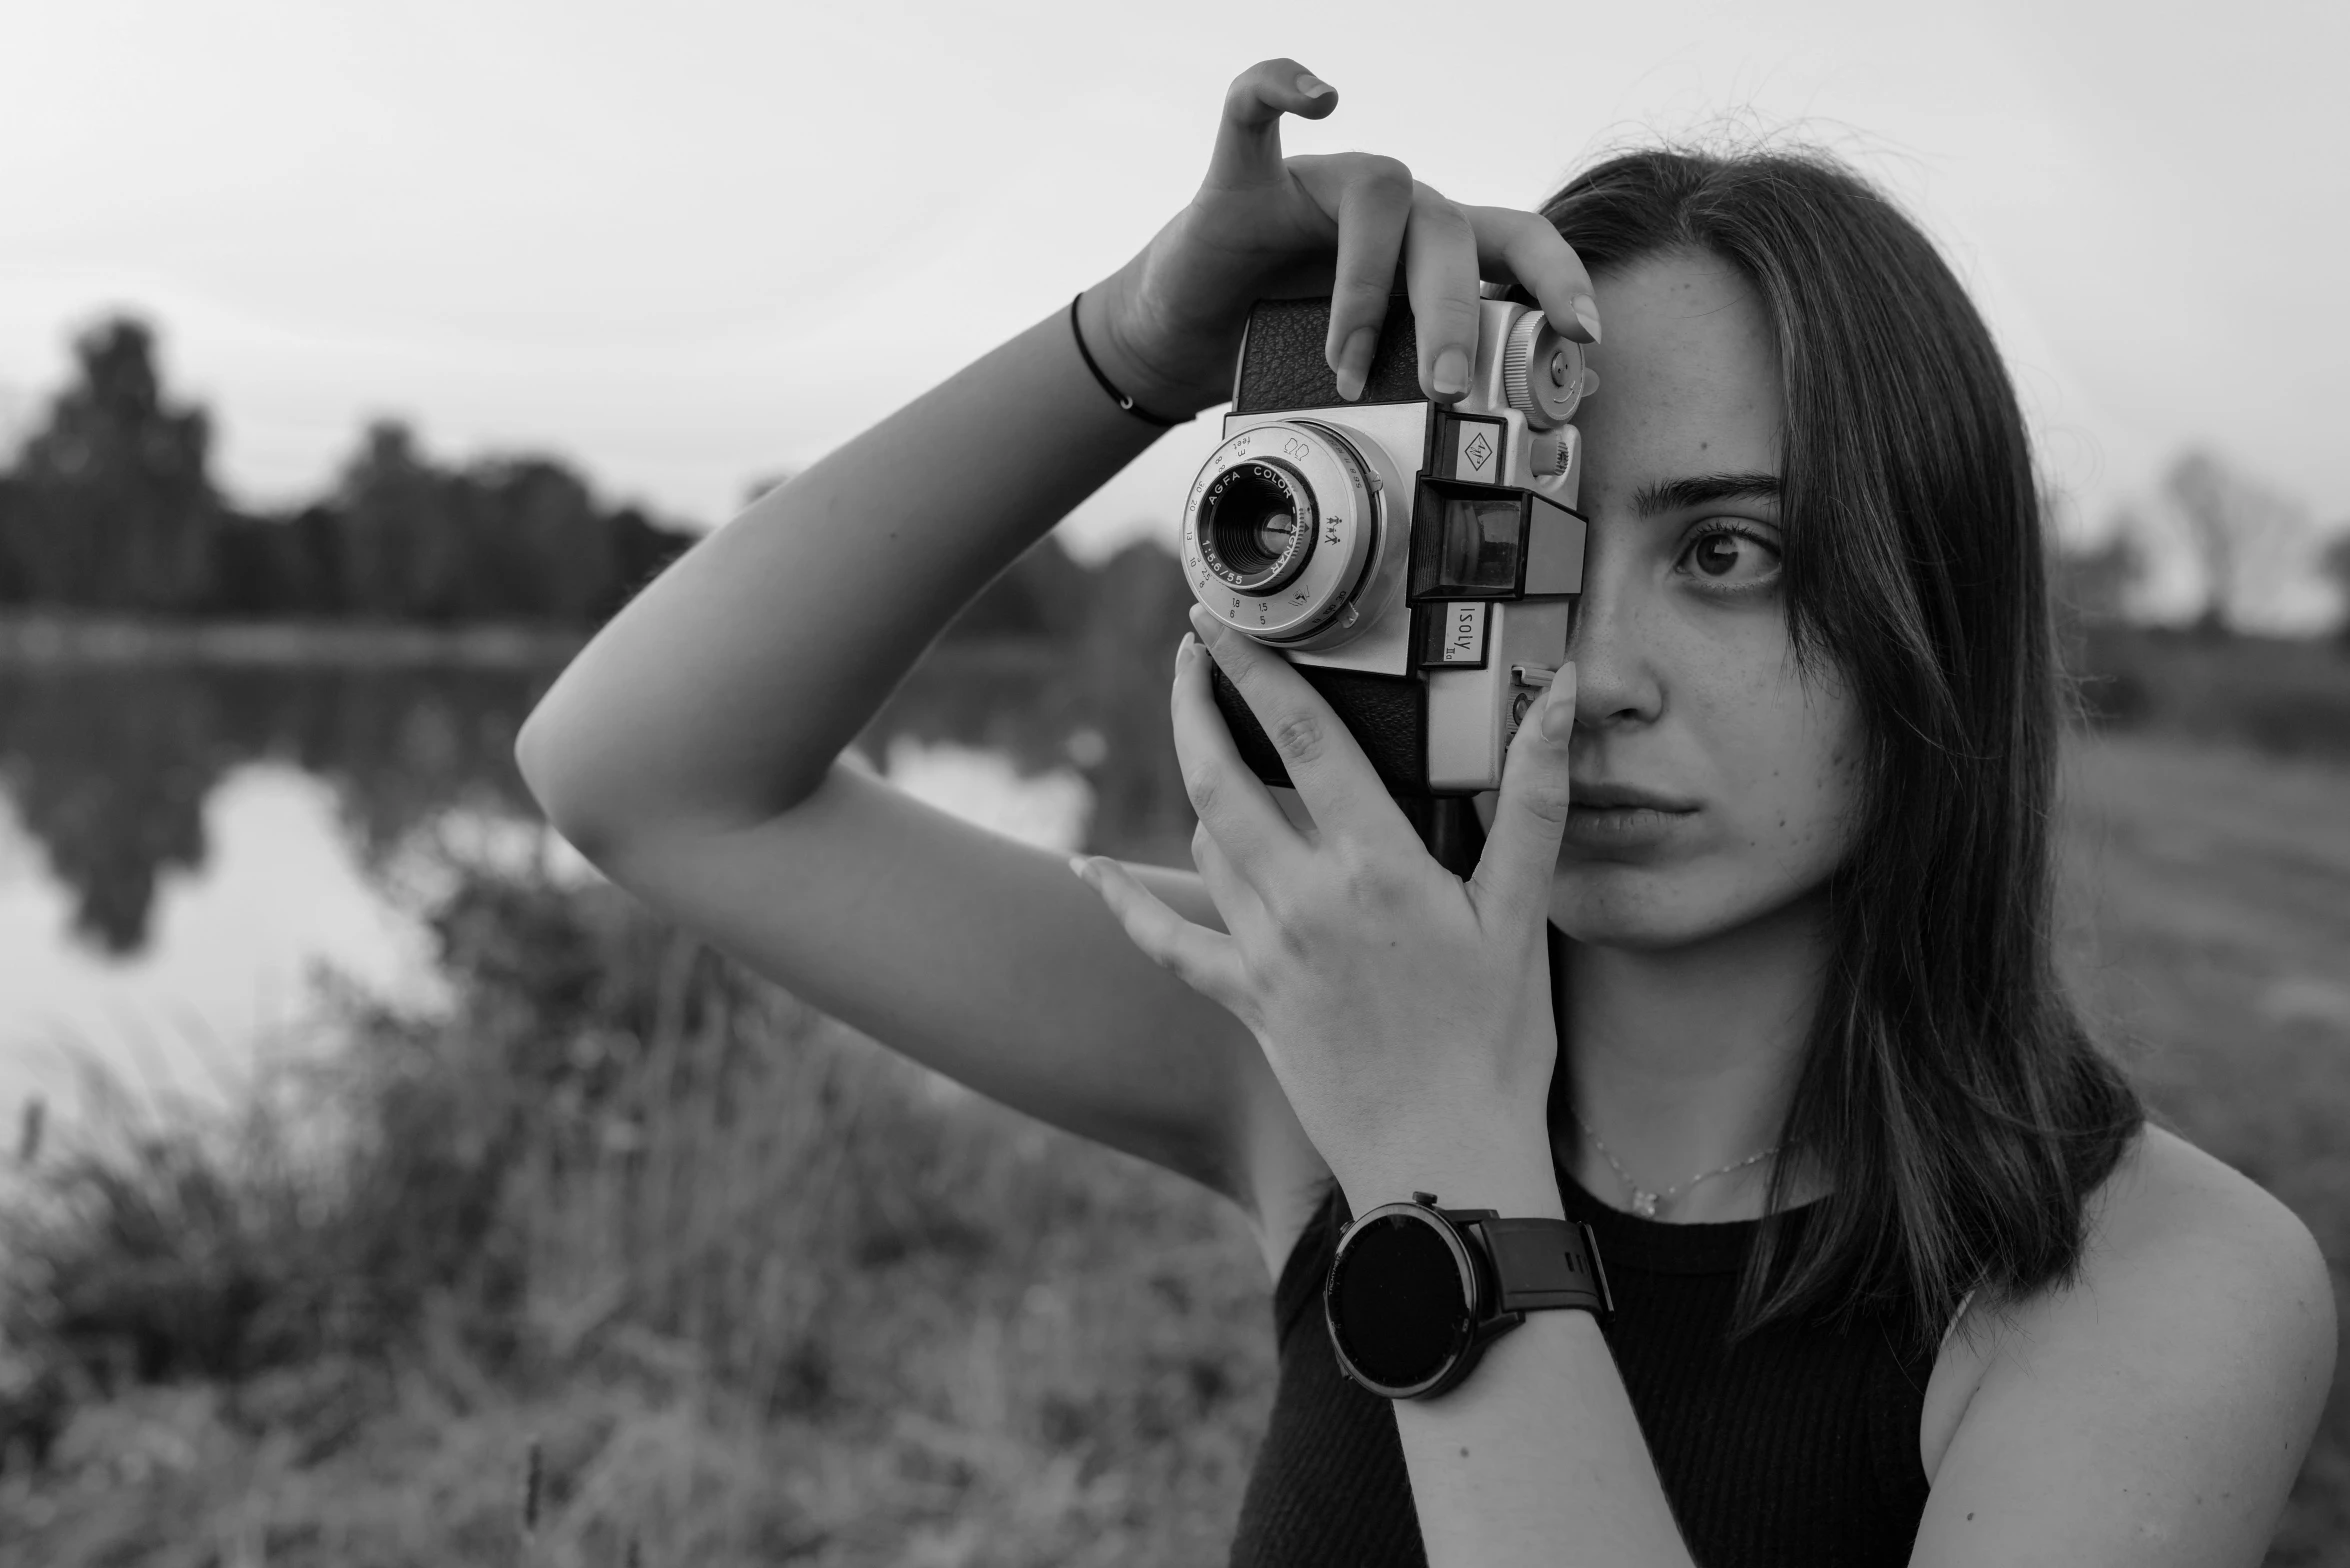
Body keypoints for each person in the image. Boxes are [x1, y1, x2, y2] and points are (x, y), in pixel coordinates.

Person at [513, 58, 2334, 1568]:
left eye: (1726, 552)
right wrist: (1143, 347)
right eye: (1523, 545)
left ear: (1933, 609)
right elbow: (649, 776)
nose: (1592, 667)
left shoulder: (2149, 1289)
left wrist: (1447, 1170)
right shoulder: (1308, 1039)